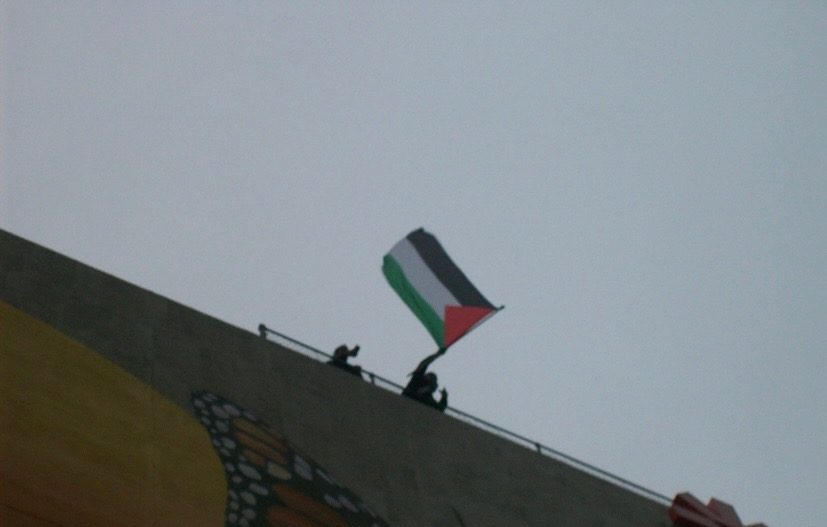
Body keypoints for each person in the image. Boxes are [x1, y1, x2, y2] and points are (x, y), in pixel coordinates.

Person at [402, 348, 448, 412]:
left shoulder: (428, 398)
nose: (432, 379)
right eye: (430, 376)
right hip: (404, 406)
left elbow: (439, 410)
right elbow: (424, 363)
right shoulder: (417, 381)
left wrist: (444, 397)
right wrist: (437, 354)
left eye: (433, 378)